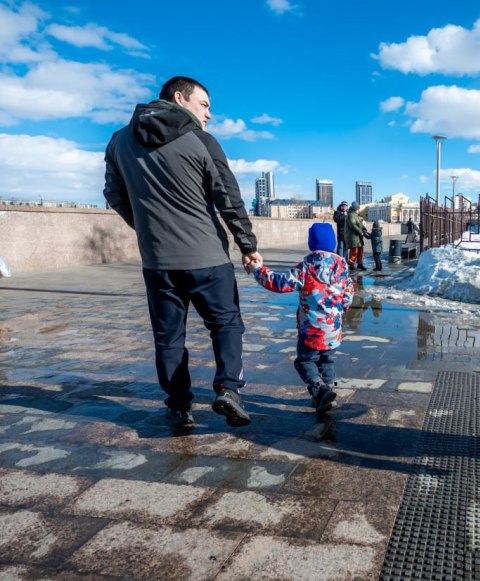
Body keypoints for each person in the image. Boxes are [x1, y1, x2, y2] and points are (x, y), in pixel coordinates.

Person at [103, 76, 260, 430]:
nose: (210, 114)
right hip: (208, 259)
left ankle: (178, 406)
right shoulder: (200, 140)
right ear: (180, 98)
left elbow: (113, 193)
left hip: (157, 262)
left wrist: (147, 228)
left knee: (169, 338)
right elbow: (228, 198)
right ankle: (229, 389)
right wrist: (247, 245)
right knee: (226, 324)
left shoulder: (118, 141)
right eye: (204, 105)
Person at [251, 223, 354, 415]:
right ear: (333, 243)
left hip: (312, 330)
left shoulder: (306, 267)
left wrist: (259, 270)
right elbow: (348, 296)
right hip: (333, 330)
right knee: (327, 362)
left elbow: (279, 283)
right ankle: (328, 394)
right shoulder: (342, 268)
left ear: (311, 244)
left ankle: (319, 389)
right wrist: (339, 312)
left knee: (304, 361)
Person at [345, 201, 366, 271]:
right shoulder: (351, 215)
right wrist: (360, 232)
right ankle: (351, 264)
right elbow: (353, 225)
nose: (359, 210)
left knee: (360, 250)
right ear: (355, 208)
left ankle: (360, 264)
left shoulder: (355, 215)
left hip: (358, 237)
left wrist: (364, 228)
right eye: (358, 209)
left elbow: (359, 223)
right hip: (353, 236)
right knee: (354, 251)